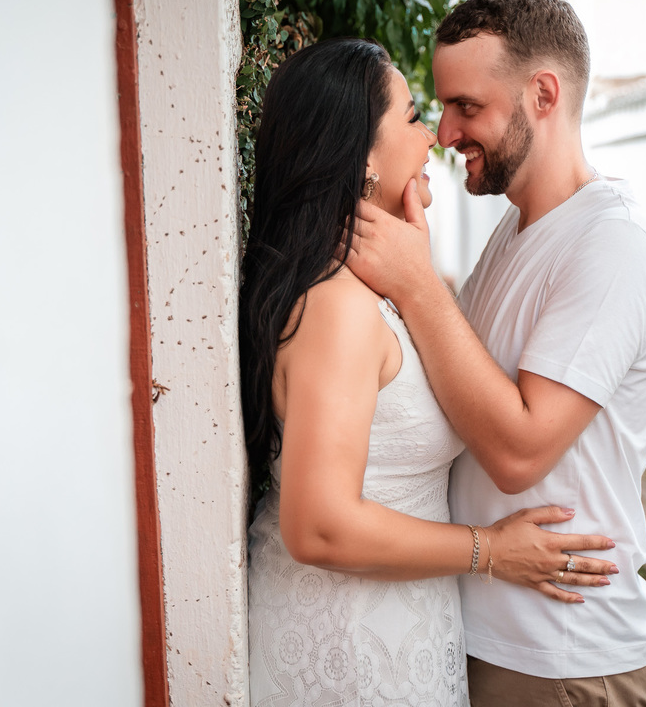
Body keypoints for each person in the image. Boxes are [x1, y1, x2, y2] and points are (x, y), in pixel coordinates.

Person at [239, 37, 619, 707]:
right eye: (414, 118)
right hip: (350, 648)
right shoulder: (338, 308)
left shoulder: (371, 292)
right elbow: (318, 524)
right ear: (361, 160)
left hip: (397, 628)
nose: (435, 139)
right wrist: (490, 551)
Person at [346, 0, 646, 706]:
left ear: (543, 94)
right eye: (441, 107)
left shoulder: (614, 243)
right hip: (484, 632)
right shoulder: (516, 228)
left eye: (467, 106)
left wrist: (418, 287)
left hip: (564, 655)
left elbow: (519, 451)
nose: (444, 130)